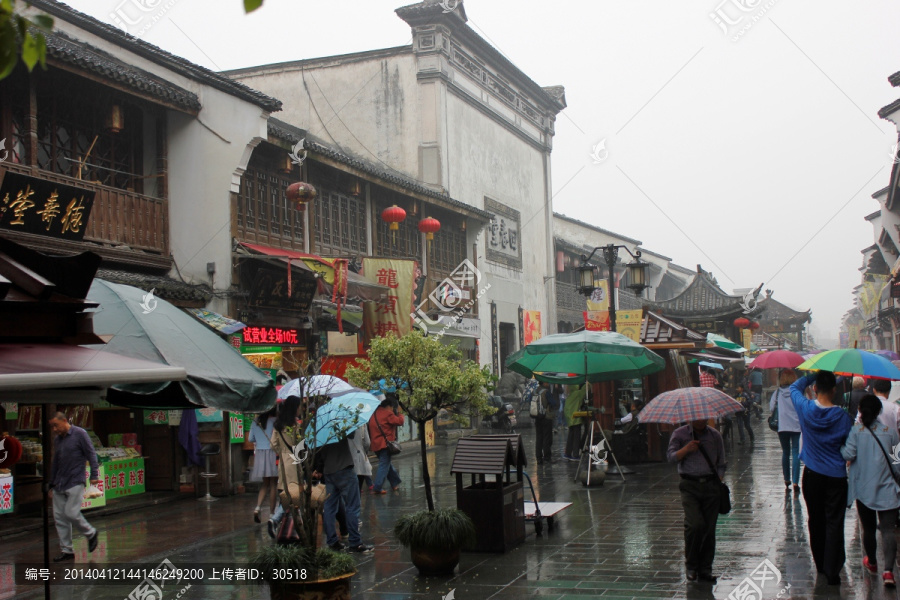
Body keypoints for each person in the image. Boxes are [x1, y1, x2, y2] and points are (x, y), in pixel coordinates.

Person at [790, 371, 853, 586]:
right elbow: (847, 444)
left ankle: (820, 565)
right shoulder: (843, 417)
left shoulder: (805, 409)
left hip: (813, 475)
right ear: (834, 390)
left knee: (815, 519)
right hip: (836, 476)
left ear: (815, 388)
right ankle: (833, 568)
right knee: (835, 521)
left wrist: (810, 376)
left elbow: (793, 388)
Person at [841, 394, 900, 588]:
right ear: (879, 412)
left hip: (864, 490)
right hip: (889, 489)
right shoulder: (891, 432)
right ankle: (889, 571)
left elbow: (848, 454)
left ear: (860, 411)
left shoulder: (856, 431)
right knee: (888, 530)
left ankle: (872, 562)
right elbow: (897, 464)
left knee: (868, 528)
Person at [666, 418, 726, 583]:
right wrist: (686, 449)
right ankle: (691, 565)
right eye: (697, 417)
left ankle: (705, 568)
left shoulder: (715, 436)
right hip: (689, 485)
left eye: (704, 417)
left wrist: (719, 479)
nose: (701, 420)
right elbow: (671, 457)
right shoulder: (680, 434)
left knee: (708, 529)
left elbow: (721, 462)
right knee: (694, 525)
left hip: (711, 486)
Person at [48, 412, 99, 562]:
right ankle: (67, 550)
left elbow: (91, 454)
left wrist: (94, 475)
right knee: (59, 517)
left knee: (71, 513)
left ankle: (91, 533)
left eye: (56, 425)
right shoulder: (58, 440)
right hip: (59, 482)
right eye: (52, 427)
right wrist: (51, 482)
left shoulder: (80, 434)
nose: (54, 429)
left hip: (75, 480)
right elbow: (56, 461)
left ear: (64, 421)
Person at [316, 434, 374, 553]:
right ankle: (355, 542)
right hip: (344, 468)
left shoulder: (320, 426)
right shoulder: (340, 421)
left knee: (329, 507)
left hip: (329, 470)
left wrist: (319, 467)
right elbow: (352, 435)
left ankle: (332, 541)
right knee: (352, 505)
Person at [269, 396, 303, 538]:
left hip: (283, 462)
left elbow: (273, 445)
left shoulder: (278, 425)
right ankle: (275, 519)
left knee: (285, 493)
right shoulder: (295, 425)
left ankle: (288, 525)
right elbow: (299, 446)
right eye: (300, 406)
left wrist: (282, 452)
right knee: (292, 496)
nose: (301, 409)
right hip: (294, 462)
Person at [769, 369, 801, 492]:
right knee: (796, 453)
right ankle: (795, 481)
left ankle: (786, 479)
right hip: (796, 426)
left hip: (782, 427)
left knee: (785, 452)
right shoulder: (797, 392)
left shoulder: (777, 393)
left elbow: (772, 408)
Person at [368, 398, 404, 494]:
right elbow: (400, 421)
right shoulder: (387, 414)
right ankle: (377, 487)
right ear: (389, 406)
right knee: (384, 465)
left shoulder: (374, 414)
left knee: (386, 463)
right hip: (385, 444)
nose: (392, 410)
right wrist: (400, 413)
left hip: (375, 445)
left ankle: (394, 482)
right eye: (392, 408)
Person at [248, 406, 278, 524]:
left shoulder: (255, 421)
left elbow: (251, 438)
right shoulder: (275, 421)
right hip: (272, 452)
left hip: (260, 453)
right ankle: (271, 514)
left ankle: (257, 508)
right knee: (273, 484)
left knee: (265, 484)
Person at [533, 381, 555, 465]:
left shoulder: (535, 391)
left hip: (537, 417)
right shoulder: (546, 392)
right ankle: (547, 457)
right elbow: (553, 403)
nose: (548, 384)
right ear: (544, 383)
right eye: (547, 382)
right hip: (546, 417)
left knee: (539, 438)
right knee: (547, 437)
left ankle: (538, 458)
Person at [563, 384, 586, 460]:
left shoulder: (569, 396)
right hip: (576, 419)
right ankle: (575, 454)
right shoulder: (577, 393)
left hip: (570, 419)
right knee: (576, 437)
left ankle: (568, 453)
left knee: (570, 436)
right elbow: (585, 389)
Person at [350, 423, 373, 491]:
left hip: (346, 461)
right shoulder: (361, 422)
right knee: (358, 489)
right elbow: (367, 443)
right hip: (359, 458)